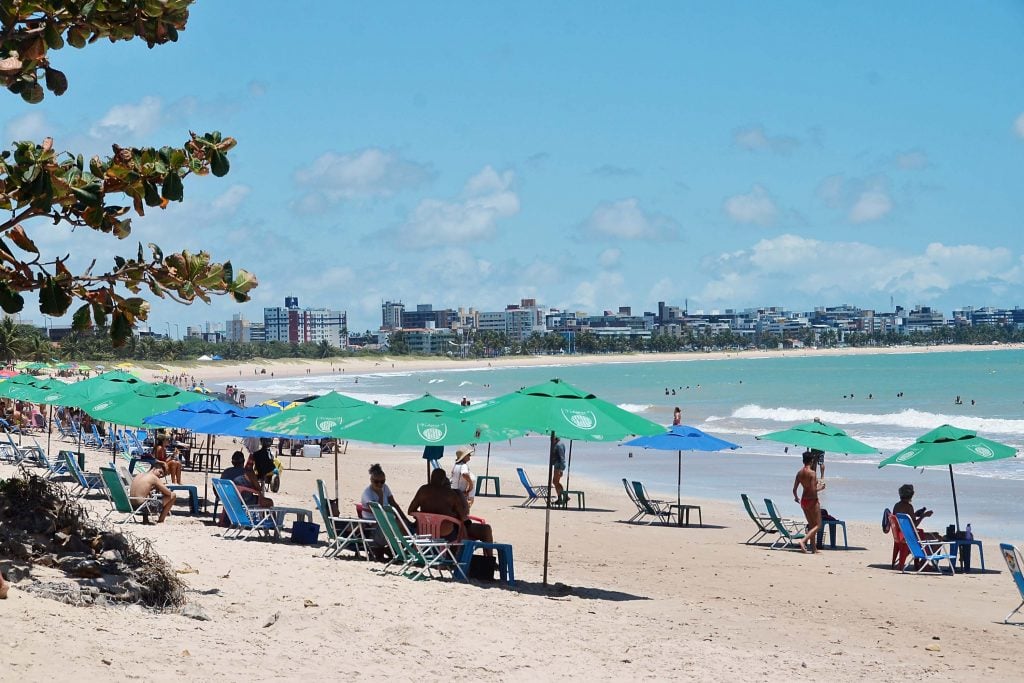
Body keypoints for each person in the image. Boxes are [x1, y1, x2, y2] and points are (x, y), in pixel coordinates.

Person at [408, 468, 494, 548]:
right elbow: (464, 517)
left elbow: (410, 511)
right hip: (447, 534)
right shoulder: (451, 494)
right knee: (486, 529)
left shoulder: (423, 490)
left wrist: (423, 516)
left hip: (425, 532)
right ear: (443, 480)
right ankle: (489, 559)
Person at [361, 464, 414, 559]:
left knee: (405, 524)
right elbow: (378, 512)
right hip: (374, 527)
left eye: (382, 482)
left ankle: (404, 550)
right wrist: (381, 495)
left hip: (385, 522)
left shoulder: (385, 487)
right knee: (401, 526)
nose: (380, 484)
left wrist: (404, 519)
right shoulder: (367, 493)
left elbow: (394, 504)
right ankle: (410, 550)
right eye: (376, 482)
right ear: (371, 480)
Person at [792, 450, 825, 553]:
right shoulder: (812, 473)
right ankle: (803, 541)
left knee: (811, 525)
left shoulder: (799, 473)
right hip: (812, 501)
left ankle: (814, 548)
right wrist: (820, 487)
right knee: (818, 525)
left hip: (803, 501)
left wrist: (797, 498)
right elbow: (812, 490)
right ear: (811, 461)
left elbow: (794, 490)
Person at [551, 436, 567, 505]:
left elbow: (562, 458)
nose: (551, 440)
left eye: (552, 438)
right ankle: (561, 497)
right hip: (557, 465)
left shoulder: (559, 445)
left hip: (558, 466)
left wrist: (561, 469)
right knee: (555, 482)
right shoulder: (558, 444)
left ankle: (564, 497)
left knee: (555, 482)